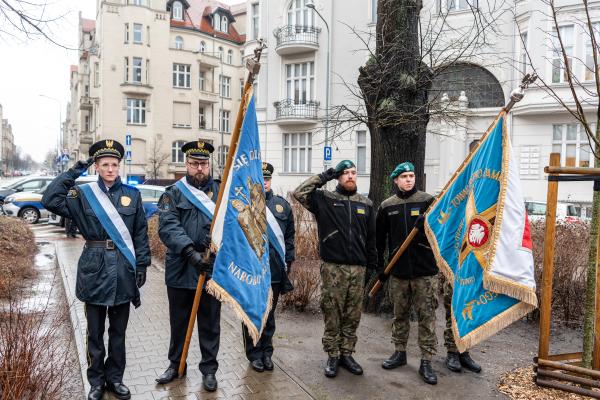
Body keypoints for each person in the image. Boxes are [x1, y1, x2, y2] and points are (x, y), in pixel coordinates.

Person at [42, 139, 151, 400]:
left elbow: (140, 233)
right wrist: (74, 171)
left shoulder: (132, 195)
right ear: (97, 167)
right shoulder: (82, 195)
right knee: (95, 332)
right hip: (94, 265)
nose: (111, 169)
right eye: (105, 165)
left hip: (123, 269)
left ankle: (115, 379)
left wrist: (143, 264)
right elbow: (49, 199)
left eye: (114, 164)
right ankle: (96, 382)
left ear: (119, 166)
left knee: (118, 333)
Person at [293, 160, 377, 378]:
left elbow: (371, 239)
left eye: (353, 173)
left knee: (352, 315)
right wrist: (324, 176)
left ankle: (346, 354)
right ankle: (332, 355)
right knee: (332, 313)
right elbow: (300, 193)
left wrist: (372, 265)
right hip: (333, 268)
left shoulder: (366, 204)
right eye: (345, 173)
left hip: (358, 269)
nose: (350, 176)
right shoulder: (325, 200)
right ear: (339, 177)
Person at [155, 140, 221, 392]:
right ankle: (176, 365)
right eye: (194, 164)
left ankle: (209, 370)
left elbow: (232, 224)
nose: (199, 169)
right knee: (179, 322)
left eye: (203, 164)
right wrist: (191, 252)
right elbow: (168, 227)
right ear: (186, 164)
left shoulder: (221, 192)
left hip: (212, 269)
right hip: (181, 267)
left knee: (210, 322)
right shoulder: (173, 193)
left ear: (209, 165)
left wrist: (214, 242)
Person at [375, 161, 439, 385]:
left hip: (425, 270)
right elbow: (380, 238)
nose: (409, 179)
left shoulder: (428, 201)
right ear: (396, 180)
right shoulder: (387, 206)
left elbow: (442, 229)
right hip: (399, 271)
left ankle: (426, 360)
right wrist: (381, 268)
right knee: (399, 314)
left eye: (411, 176)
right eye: (404, 177)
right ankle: (399, 352)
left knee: (426, 317)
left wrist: (429, 223)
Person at [243, 162, 295, 372]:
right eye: (259, 179)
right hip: (253, 273)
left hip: (275, 271)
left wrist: (288, 262)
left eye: (266, 179)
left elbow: (290, 237)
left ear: (270, 180)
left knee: (269, 316)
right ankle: (254, 354)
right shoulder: (246, 205)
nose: (263, 182)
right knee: (253, 314)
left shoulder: (282, 206)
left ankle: (267, 352)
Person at [441, 274, 482, 373]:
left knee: (468, 315)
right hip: (454, 273)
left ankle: (463, 352)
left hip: (471, 276)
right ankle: (452, 352)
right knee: (453, 313)